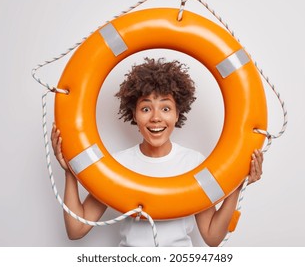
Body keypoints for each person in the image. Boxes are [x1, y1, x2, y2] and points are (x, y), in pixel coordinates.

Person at [51, 58, 263, 247]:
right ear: (133, 114)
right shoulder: (116, 165)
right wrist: (71, 172)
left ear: (178, 113)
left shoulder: (193, 163)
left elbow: (212, 236)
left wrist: (237, 183)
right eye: (145, 108)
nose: (155, 118)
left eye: (165, 108)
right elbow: (76, 230)